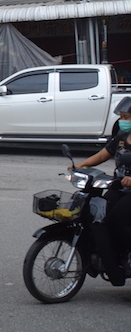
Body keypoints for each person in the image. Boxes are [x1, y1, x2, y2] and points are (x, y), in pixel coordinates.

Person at [69, 96, 131, 286]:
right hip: (119, 187)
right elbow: (104, 154)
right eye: (122, 116)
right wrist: (80, 165)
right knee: (98, 216)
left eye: (127, 117)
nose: (123, 121)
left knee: (116, 219)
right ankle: (110, 256)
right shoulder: (121, 136)